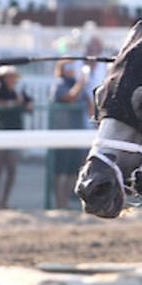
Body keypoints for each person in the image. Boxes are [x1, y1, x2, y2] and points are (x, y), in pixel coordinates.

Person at [0, 65, 34, 209]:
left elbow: (29, 103)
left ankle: (4, 202)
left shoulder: (19, 91)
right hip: (0, 133)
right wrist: (15, 104)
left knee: (11, 169)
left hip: (15, 134)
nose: (11, 79)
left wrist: (27, 104)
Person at [49, 59, 91, 210]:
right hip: (61, 133)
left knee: (73, 171)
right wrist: (80, 83)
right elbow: (69, 98)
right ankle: (59, 202)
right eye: (68, 66)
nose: (71, 69)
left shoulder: (77, 84)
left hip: (76, 130)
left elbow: (90, 106)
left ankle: (64, 202)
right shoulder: (59, 84)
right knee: (59, 171)